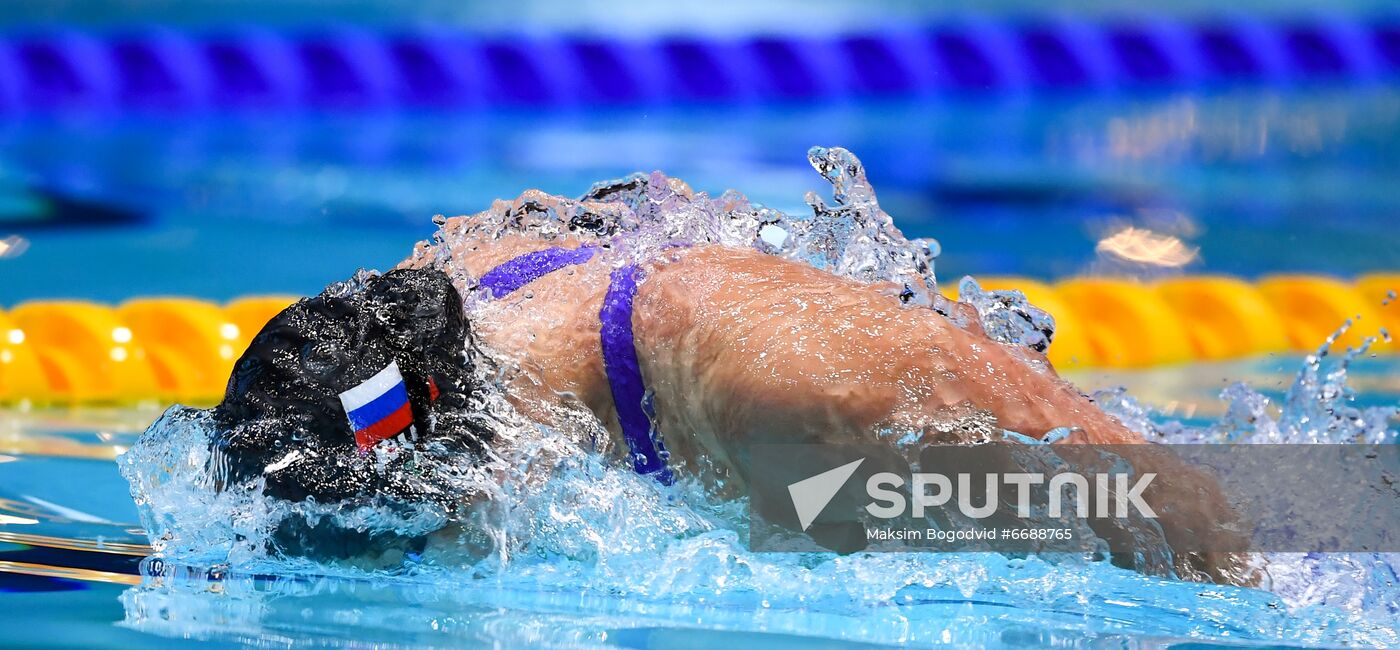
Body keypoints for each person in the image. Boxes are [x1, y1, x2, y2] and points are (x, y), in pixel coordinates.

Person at [206, 157, 1242, 581]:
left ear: (484, 476)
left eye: (422, 550)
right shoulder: (426, 307)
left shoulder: (803, 401)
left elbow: (1192, 521)